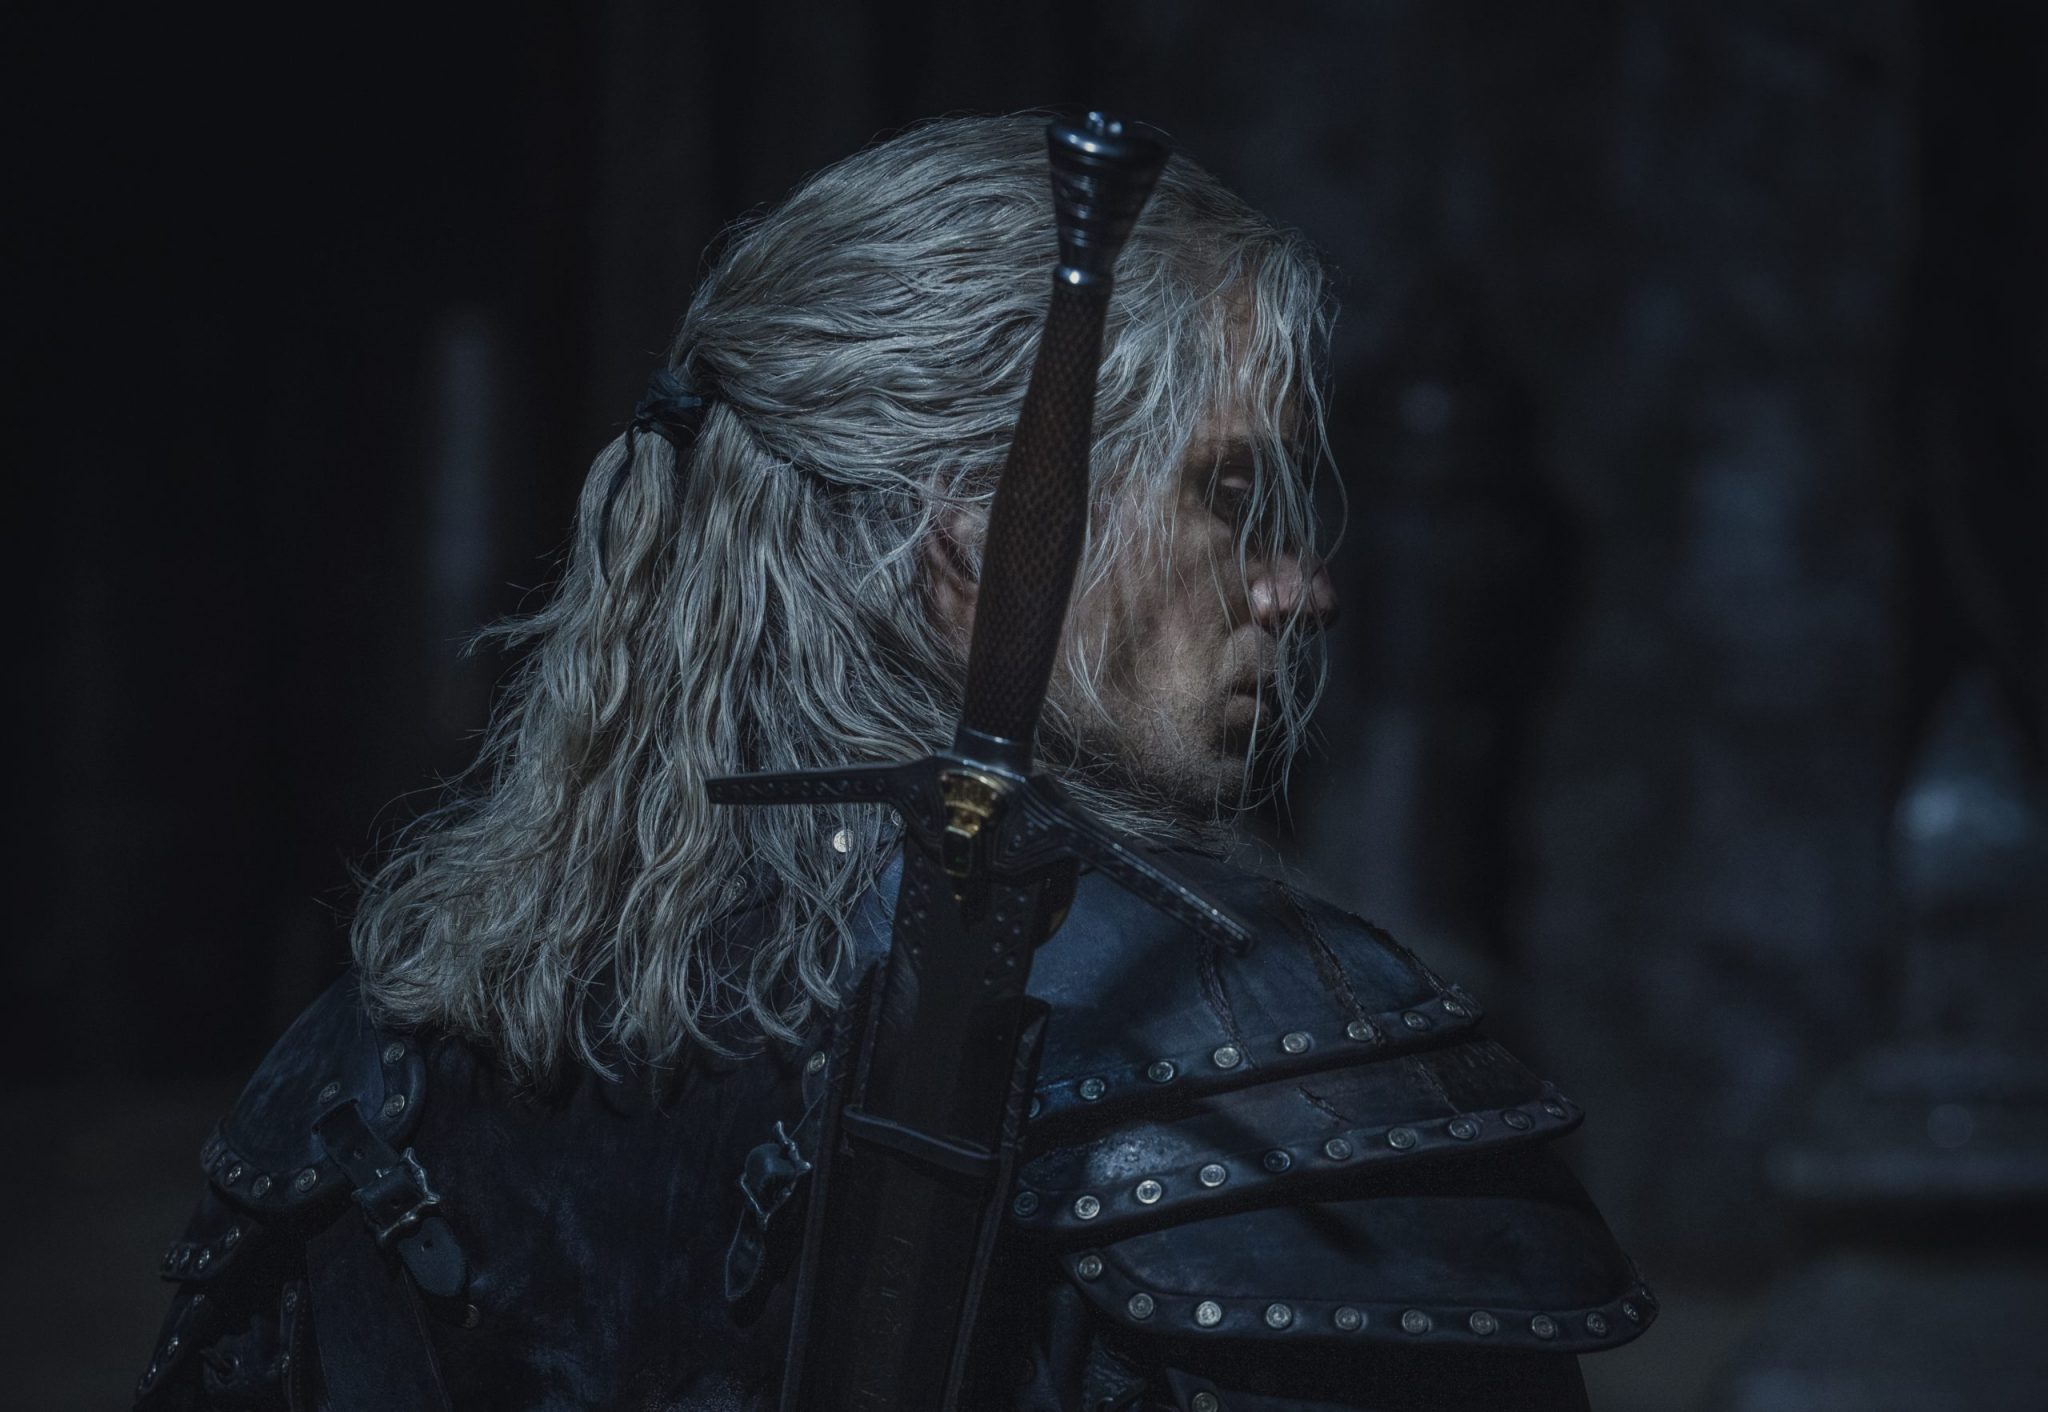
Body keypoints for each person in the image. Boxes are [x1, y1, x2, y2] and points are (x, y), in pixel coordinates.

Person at [136, 113, 1654, 1411]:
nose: (1296, 586)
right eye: (1227, 492)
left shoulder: (360, 1061)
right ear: (980, 535)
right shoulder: (1277, 1047)